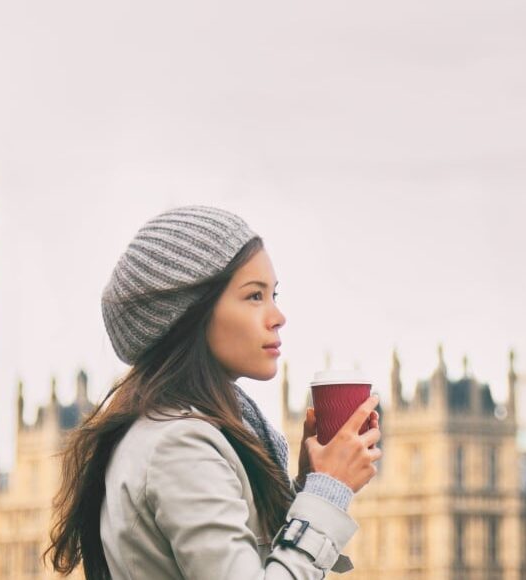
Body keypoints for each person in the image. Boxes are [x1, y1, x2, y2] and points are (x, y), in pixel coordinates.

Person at [46, 205, 382, 579]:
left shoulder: (201, 432)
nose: (277, 316)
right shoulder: (178, 445)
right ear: (191, 313)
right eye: (255, 296)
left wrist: (307, 486)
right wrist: (326, 493)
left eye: (274, 294)